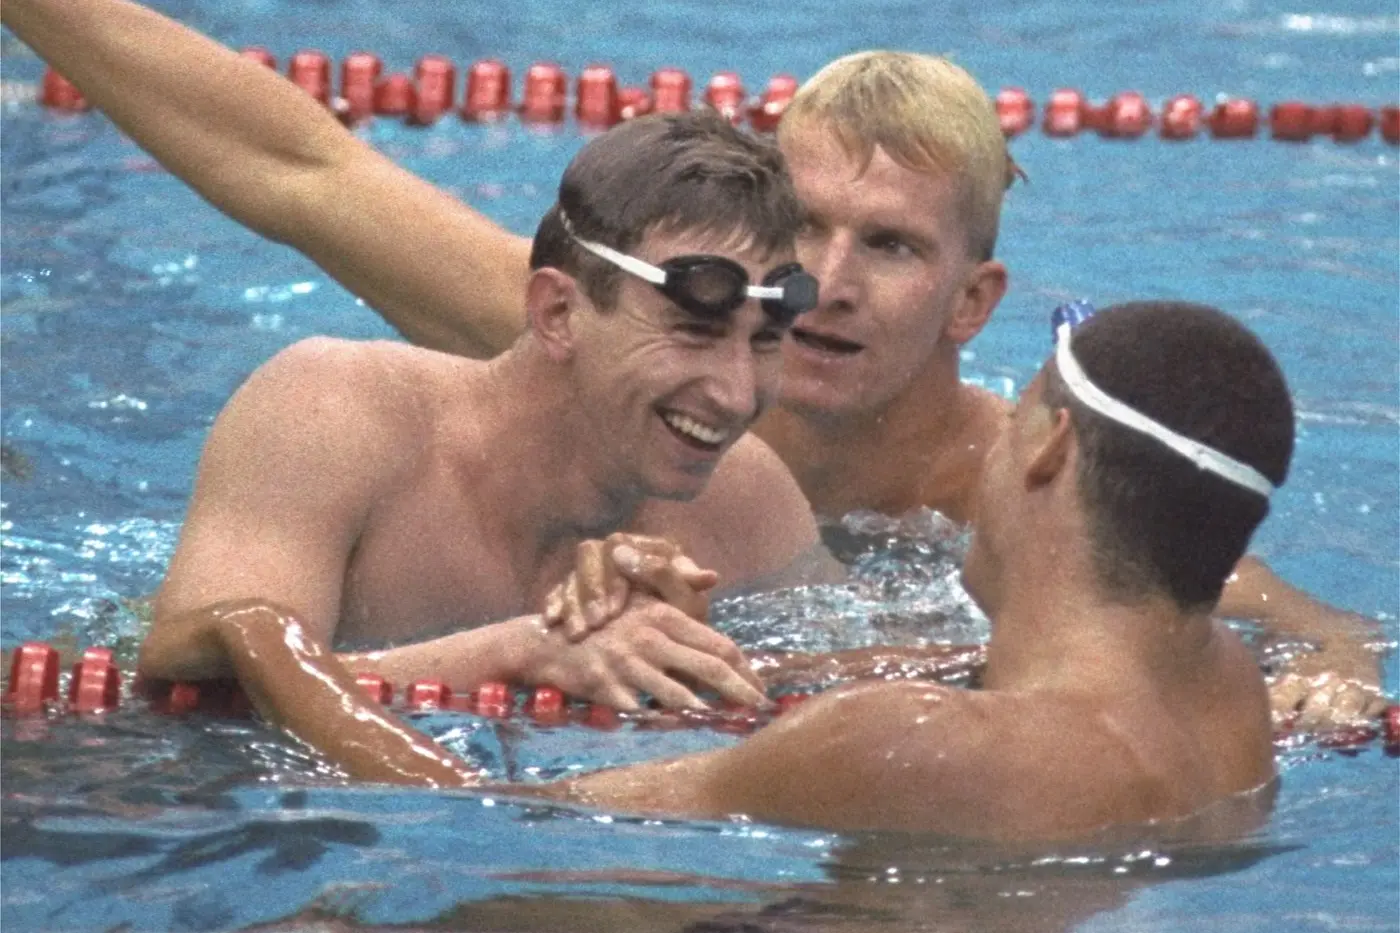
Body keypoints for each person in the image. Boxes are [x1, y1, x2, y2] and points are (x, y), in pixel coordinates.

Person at [3, 0, 1383, 725]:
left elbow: (1293, 630)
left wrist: (1324, 681)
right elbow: (295, 164)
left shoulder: (1009, 486)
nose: (824, 287)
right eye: (805, 233)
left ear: (976, 302)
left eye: (890, 248)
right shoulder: (611, 336)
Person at [187, 302, 1288, 842]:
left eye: (1015, 417)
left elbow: (480, 811)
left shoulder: (915, 744)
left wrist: (271, 644)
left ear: (1047, 447)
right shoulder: (1227, 690)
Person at [130, 107, 842, 713]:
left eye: (768, 342)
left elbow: (871, 678)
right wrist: (515, 653)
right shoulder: (332, 415)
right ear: (559, 311)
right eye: (695, 332)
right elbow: (181, 696)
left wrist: (700, 655)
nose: (738, 395)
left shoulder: (746, 499)